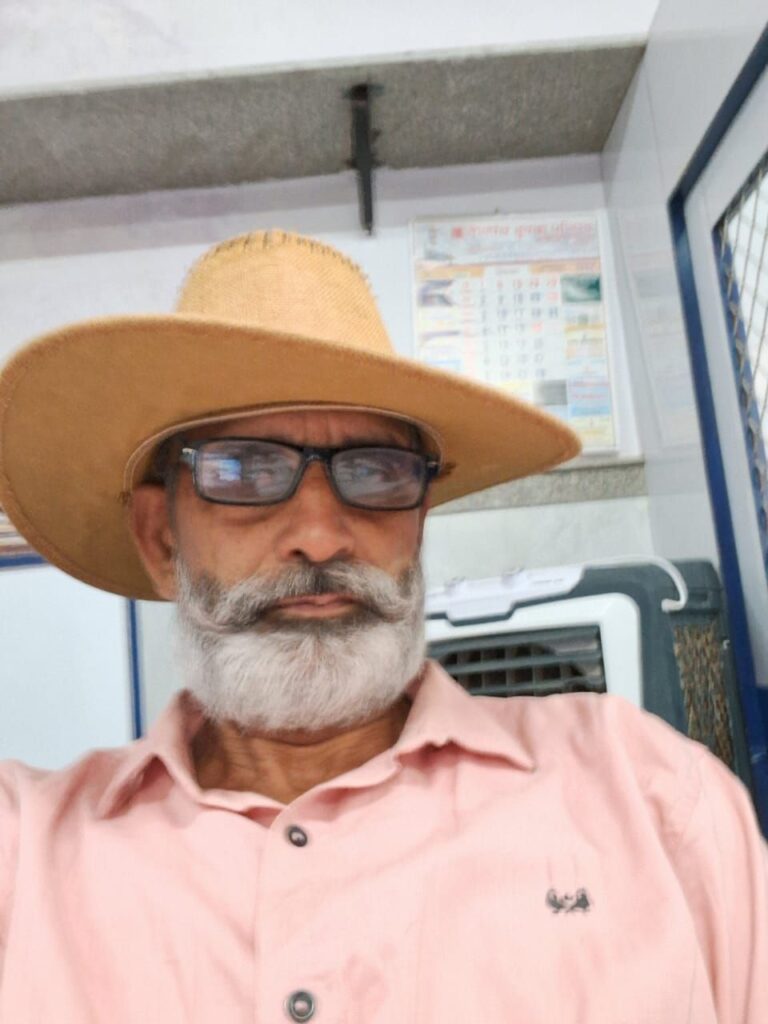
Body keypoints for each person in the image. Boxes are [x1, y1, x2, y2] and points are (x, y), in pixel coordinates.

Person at [0, 229, 765, 1022]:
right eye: (246, 470)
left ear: (419, 519)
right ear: (161, 538)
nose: (320, 536)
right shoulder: (25, 862)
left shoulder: (649, 796)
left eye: (375, 470)